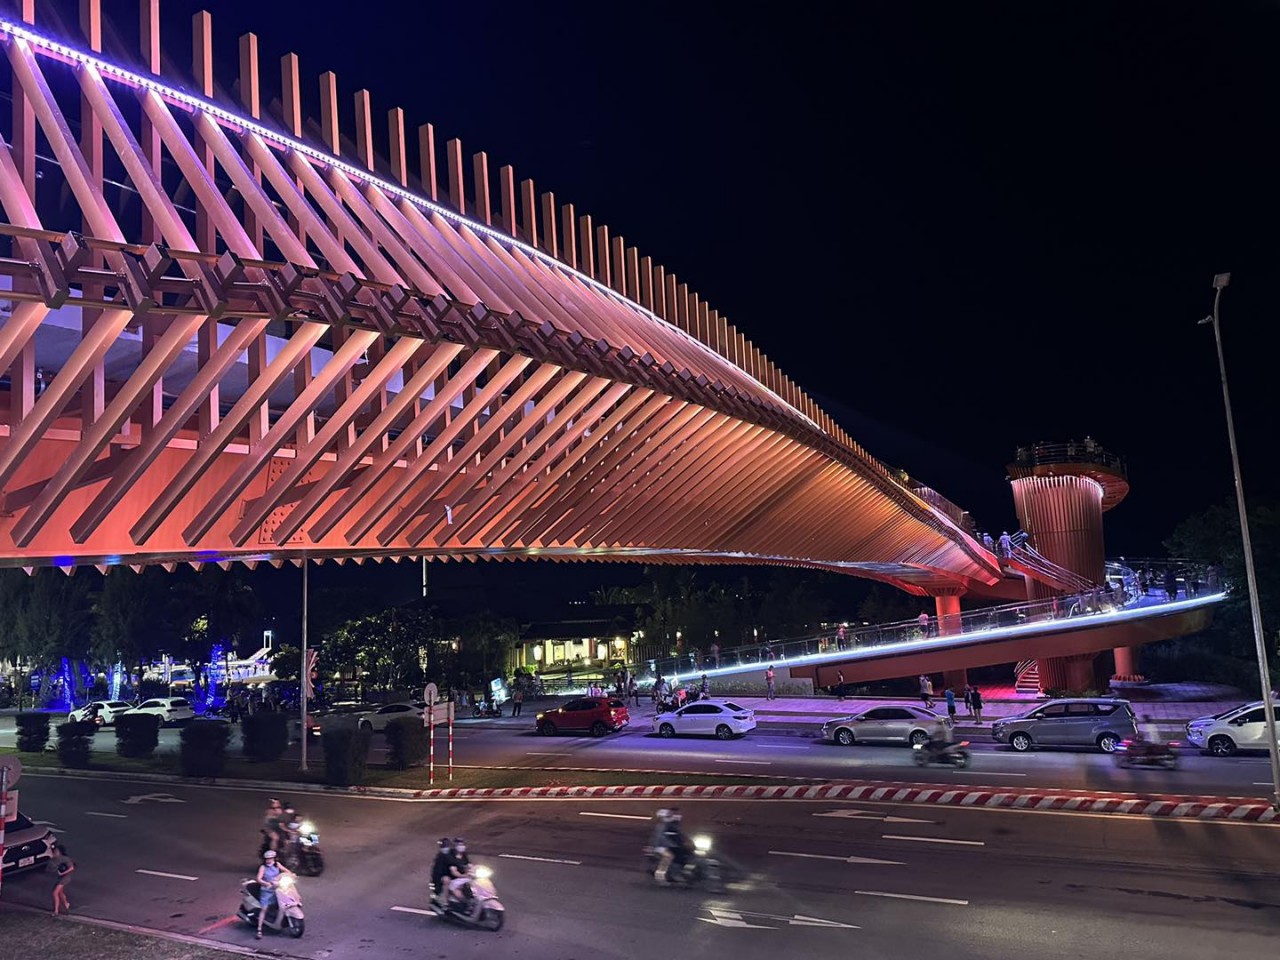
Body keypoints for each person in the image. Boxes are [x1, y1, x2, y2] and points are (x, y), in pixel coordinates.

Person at [254, 849, 294, 938]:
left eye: (270, 858)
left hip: (278, 889)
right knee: (264, 909)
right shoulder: (263, 867)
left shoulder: (277, 865)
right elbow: (259, 879)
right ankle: (259, 929)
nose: (268, 860)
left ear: (274, 858)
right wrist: (266, 883)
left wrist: (290, 875)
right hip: (267, 891)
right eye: (267, 859)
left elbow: (286, 871)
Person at [654, 808, 691, 882]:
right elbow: (661, 838)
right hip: (661, 846)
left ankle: (682, 873)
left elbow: (681, 834)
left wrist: (688, 841)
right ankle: (660, 875)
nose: (678, 816)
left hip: (671, 846)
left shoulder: (674, 824)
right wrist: (672, 844)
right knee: (669, 856)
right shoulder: (663, 825)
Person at [443, 838, 473, 909]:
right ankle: (466, 903)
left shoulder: (464, 855)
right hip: (454, 878)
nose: (461, 846)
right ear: (455, 846)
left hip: (464, 877)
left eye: (462, 844)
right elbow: (454, 872)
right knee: (455, 887)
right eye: (459, 844)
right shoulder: (451, 856)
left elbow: (468, 864)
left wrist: (473, 869)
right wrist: (464, 875)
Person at [50, 842, 74, 915]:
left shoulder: (65, 859)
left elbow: (71, 868)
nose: (55, 852)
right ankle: (66, 904)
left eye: (56, 851)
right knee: (60, 893)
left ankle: (56, 911)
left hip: (65, 877)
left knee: (54, 893)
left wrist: (63, 873)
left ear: (60, 852)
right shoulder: (56, 858)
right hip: (60, 877)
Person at [430, 837, 454, 907]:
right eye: (444, 846)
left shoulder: (452, 853)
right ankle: (445, 902)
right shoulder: (440, 857)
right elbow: (437, 872)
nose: (446, 848)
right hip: (442, 877)